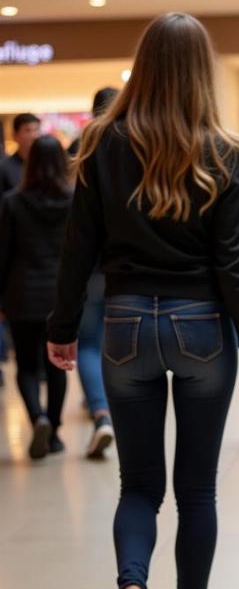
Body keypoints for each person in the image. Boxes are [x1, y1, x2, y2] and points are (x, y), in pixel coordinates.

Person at [47, 12, 239, 589]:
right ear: (203, 70)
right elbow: (237, 266)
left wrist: (63, 327)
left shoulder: (99, 143)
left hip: (122, 324)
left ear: (141, 65)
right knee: (197, 488)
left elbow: (76, 250)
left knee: (139, 485)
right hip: (202, 323)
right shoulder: (225, 152)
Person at [0, 135, 71, 459]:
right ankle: (54, 432)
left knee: (27, 365)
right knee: (57, 366)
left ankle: (37, 417)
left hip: (21, 295)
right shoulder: (73, 201)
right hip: (60, 296)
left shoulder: (13, 202)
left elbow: (3, 254)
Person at [71, 87, 120, 459]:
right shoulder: (139, 146)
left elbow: (76, 227)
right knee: (116, 346)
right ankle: (116, 410)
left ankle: (101, 412)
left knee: (87, 344)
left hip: (88, 270)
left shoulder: (82, 149)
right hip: (125, 271)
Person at [0, 113, 41, 194]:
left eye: (36, 130)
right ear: (15, 135)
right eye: (27, 130)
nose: (33, 136)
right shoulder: (4, 167)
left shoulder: (46, 164)